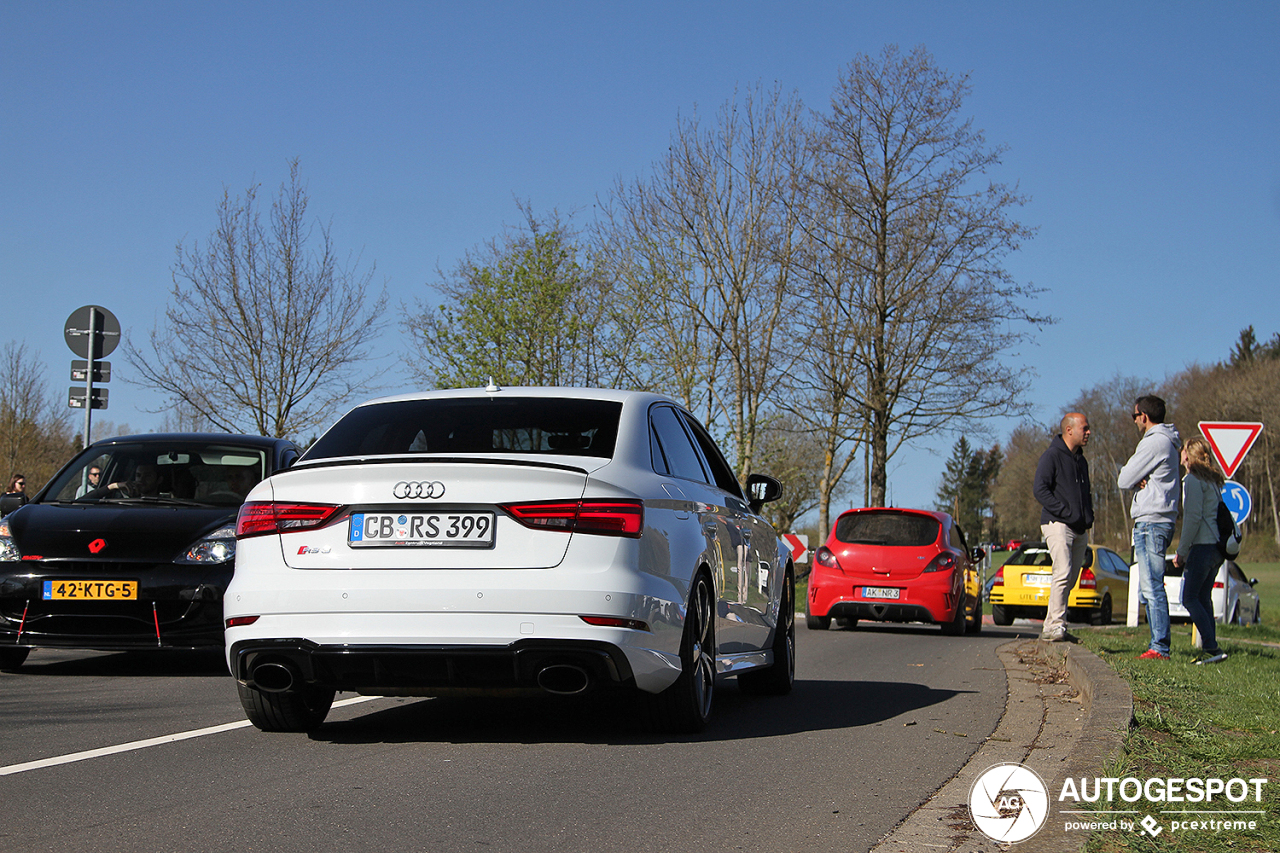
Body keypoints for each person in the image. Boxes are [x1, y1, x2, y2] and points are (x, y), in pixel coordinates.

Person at [1117, 394, 1182, 661]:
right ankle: (1158, 643)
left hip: (1151, 522)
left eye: (1135, 416)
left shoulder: (1154, 442)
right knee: (1150, 586)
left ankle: (1160, 647)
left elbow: (1124, 478)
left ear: (1144, 416)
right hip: (1161, 520)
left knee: (1152, 586)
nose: (1134, 421)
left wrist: (1136, 478)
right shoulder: (1170, 442)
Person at [1032, 412, 1094, 642]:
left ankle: (1053, 624)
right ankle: (1056, 626)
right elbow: (1040, 489)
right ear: (1069, 430)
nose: (1088, 433)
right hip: (1056, 523)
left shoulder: (1082, 461)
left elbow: (1085, 494)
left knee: (1071, 578)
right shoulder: (1051, 456)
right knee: (1062, 571)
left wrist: (1087, 516)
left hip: (1079, 528)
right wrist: (1066, 512)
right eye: (1084, 428)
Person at [1174, 436, 1228, 664]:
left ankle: (1212, 648)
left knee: (1189, 598)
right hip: (1216, 548)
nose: (1180, 453)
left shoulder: (1193, 481)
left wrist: (1182, 550)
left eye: (1183, 450)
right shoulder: (1212, 482)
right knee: (1204, 598)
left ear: (1188, 455)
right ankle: (1212, 649)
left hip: (1203, 547)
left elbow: (1193, 519)